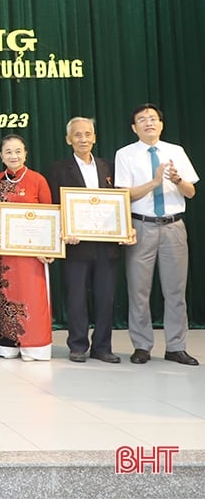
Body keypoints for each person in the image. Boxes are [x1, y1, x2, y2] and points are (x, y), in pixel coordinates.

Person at [114, 104, 199, 366]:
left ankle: (176, 346)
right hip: (142, 226)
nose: (148, 123)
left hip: (173, 226)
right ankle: (141, 346)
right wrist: (154, 182)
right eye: (142, 119)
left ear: (161, 124)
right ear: (134, 127)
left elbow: (191, 192)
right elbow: (125, 195)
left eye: (153, 119)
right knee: (139, 290)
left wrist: (176, 180)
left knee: (175, 290)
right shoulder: (125, 154)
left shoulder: (176, 151)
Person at [48, 118, 124, 364]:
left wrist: (123, 230)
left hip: (106, 243)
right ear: (68, 139)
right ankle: (78, 345)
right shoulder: (59, 169)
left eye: (88, 134)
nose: (83, 139)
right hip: (76, 243)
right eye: (77, 135)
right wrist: (63, 230)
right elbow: (55, 207)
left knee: (105, 297)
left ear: (95, 137)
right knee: (76, 297)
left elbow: (120, 202)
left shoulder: (109, 167)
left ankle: (103, 347)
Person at [0, 134, 53, 361]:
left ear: (25, 153)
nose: (13, 156)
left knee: (32, 297)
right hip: (3, 256)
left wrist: (49, 249)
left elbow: (50, 217)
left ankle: (35, 346)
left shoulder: (37, 180)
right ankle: (7, 345)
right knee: (5, 295)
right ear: (0, 156)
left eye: (17, 151)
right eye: (8, 152)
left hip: (32, 255)